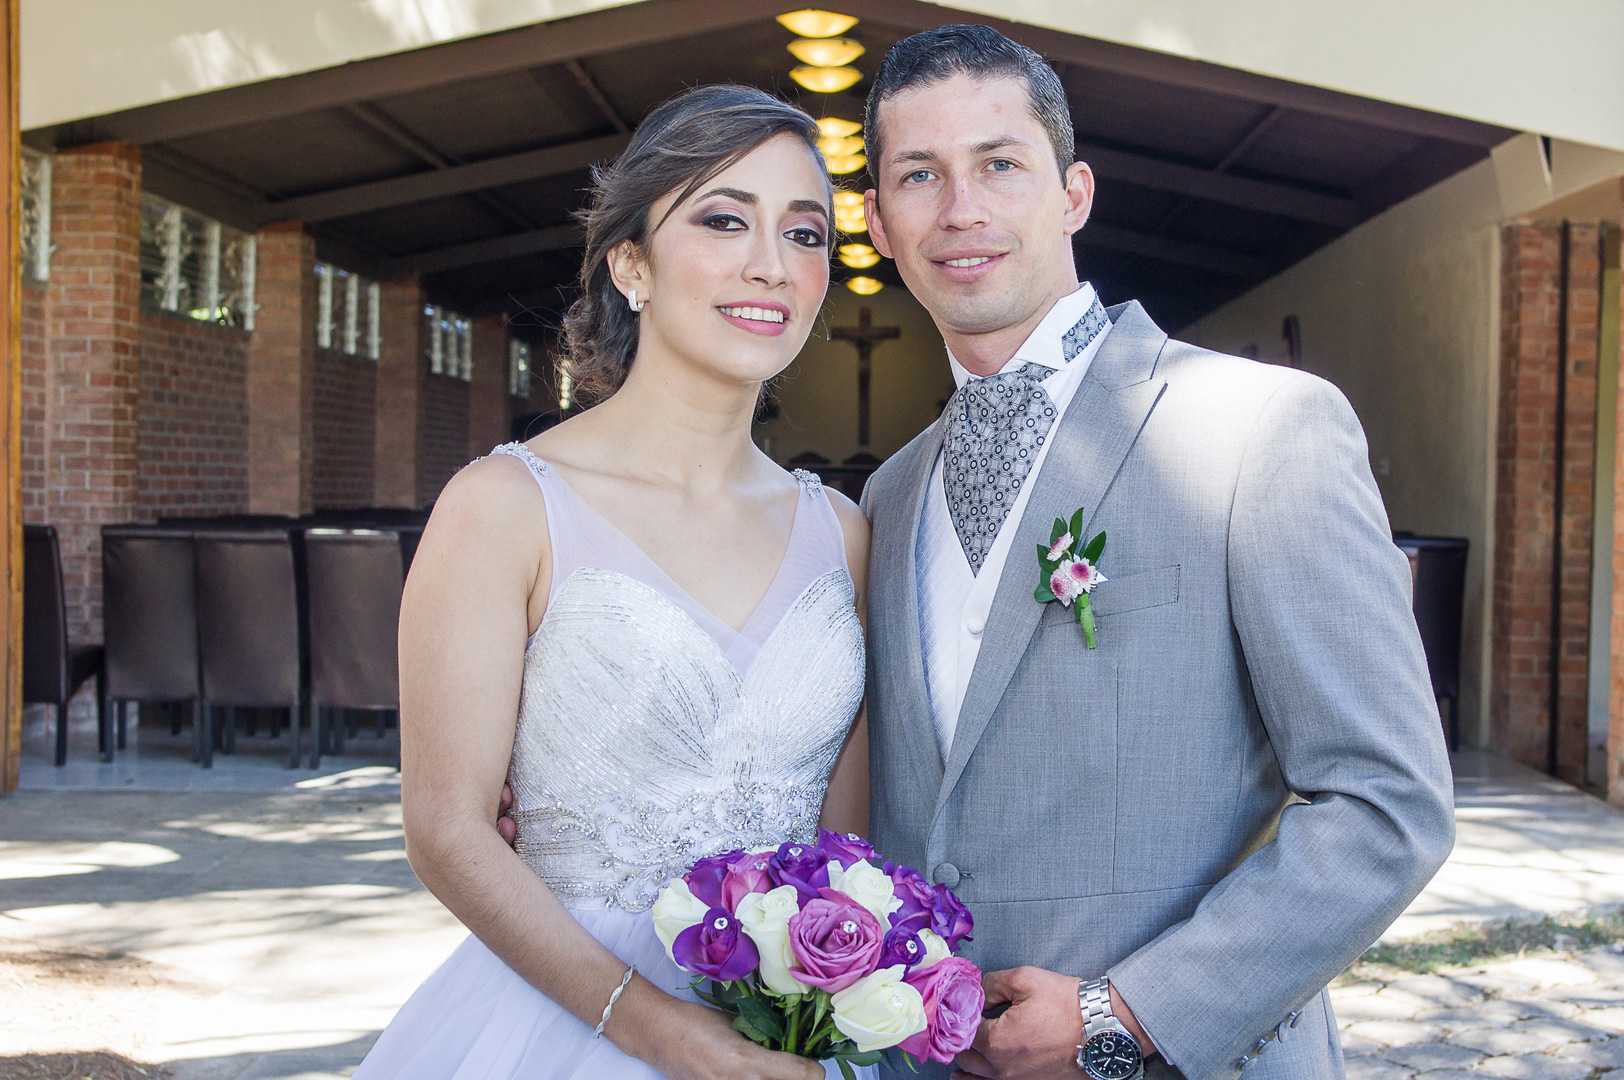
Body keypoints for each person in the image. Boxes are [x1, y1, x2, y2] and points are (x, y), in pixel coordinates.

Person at [854, 26, 1455, 1080]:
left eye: (1000, 163)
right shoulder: (889, 493)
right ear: (878, 224)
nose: (961, 209)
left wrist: (1118, 1016)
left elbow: (1387, 804)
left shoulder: (1261, 430)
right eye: (919, 175)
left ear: (1074, 193)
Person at [353, 84, 871, 1080]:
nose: (772, 264)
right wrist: (655, 1031)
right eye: (724, 220)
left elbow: (843, 854)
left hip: (790, 1041)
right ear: (629, 262)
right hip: (564, 1026)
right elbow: (446, 830)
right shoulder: (506, 506)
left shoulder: (842, 534)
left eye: (805, 235)